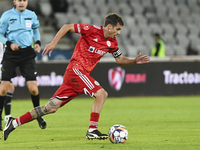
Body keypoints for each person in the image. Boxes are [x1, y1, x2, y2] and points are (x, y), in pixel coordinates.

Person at [3, 13, 150, 141]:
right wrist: (54, 43)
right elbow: (67, 27)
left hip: (77, 77)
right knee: (102, 93)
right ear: (109, 27)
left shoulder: (112, 43)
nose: (118, 33)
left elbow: (119, 59)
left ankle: (14, 123)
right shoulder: (91, 30)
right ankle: (92, 130)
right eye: (118, 29)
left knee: (50, 108)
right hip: (76, 71)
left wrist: (133, 61)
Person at [0, 0, 46, 131]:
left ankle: (38, 115)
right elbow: (0, 34)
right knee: (3, 88)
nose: (22, 3)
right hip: (11, 53)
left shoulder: (31, 15)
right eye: (19, 0)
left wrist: (37, 42)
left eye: (24, 0)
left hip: (27, 54)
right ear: (14, 1)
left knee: (33, 89)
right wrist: (9, 44)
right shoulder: (6, 16)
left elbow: (35, 30)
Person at [0, 42, 15, 131]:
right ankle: (6, 116)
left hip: (5, 64)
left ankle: (7, 116)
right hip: (2, 64)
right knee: (5, 88)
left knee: (10, 88)